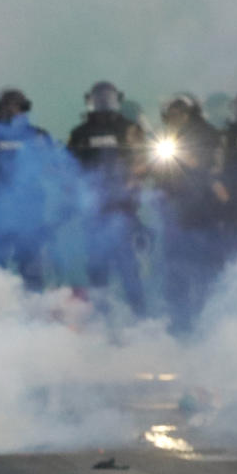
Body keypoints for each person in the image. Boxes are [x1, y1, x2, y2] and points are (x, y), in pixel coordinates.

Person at [67, 81, 147, 314]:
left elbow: (145, 160)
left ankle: (139, 317)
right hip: (94, 209)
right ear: (90, 100)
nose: (103, 102)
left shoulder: (130, 129)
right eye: (98, 98)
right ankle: (100, 320)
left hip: (123, 208)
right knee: (97, 267)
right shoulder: (80, 133)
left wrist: (133, 178)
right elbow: (70, 167)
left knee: (128, 266)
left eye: (107, 97)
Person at [154, 94, 225, 334]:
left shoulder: (208, 134)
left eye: (181, 112)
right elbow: (159, 172)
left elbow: (208, 165)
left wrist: (182, 155)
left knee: (205, 269)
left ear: (191, 113)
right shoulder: (168, 136)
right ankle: (179, 323)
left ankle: (209, 322)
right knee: (175, 268)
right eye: (172, 113)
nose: (176, 117)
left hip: (204, 213)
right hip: (175, 213)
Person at [0, 88, 54, 290]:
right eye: (6, 106)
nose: (11, 111)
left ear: (24, 109)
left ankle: (34, 310)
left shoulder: (38, 136)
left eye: (16, 107)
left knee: (31, 267)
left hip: (29, 210)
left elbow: (54, 168)